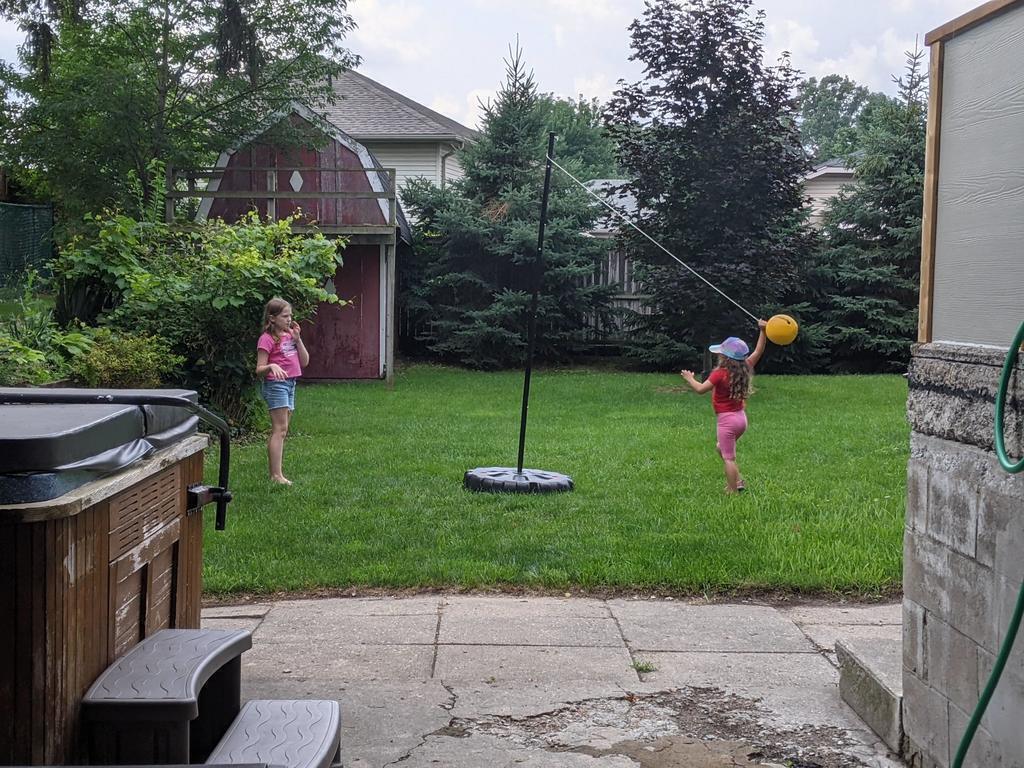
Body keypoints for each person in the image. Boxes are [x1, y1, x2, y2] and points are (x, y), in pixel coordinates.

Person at [680, 319, 768, 494]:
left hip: (727, 421)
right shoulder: (746, 367)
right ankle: (738, 480)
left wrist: (690, 378)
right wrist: (763, 331)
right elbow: (759, 350)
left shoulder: (719, 374)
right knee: (721, 448)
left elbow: (700, 389)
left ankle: (733, 489)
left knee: (729, 458)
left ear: (724, 357)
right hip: (741, 419)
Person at [256, 297, 309, 485]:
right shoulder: (267, 339)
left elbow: (305, 361)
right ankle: (276, 476)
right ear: (272, 318)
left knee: (283, 430)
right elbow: (259, 369)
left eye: (290, 316)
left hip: (290, 383)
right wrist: (271, 366)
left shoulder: (290, 336)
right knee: (280, 429)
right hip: (276, 384)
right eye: (285, 316)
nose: (289, 319)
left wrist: (298, 340)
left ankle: (277, 472)